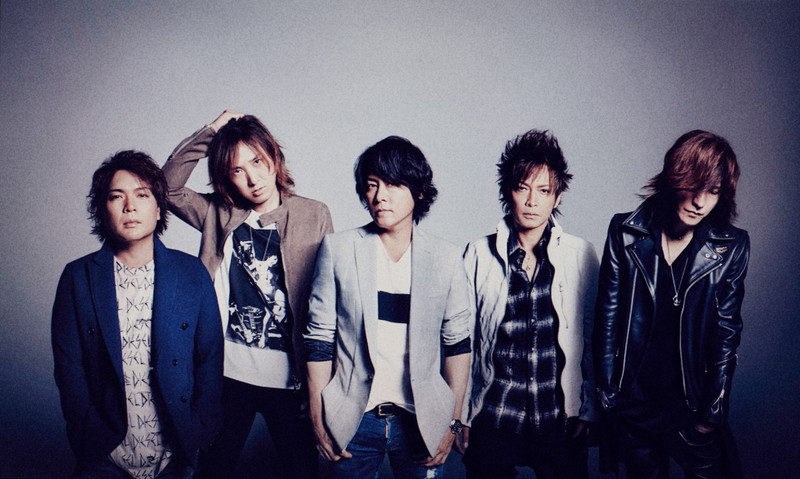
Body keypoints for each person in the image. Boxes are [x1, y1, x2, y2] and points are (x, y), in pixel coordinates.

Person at [162, 111, 332, 478]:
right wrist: (212, 130)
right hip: (226, 374)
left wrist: (321, 382)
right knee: (214, 470)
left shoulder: (313, 214)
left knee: (303, 471)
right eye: (237, 170)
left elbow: (328, 304)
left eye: (257, 161)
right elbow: (167, 188)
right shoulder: (217, 212)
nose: (253, 179)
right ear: (226, 177)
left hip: (290, 379)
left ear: (274, 156)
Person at [304, 136, 471, 478]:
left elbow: (458, 344)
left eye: (393, 184)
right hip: (352, 420)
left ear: (419, 191)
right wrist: (318, 419)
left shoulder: (446, 258)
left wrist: (453, 422)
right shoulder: (338, 249)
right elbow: (318, 340)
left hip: (423, 421)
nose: (379, 196)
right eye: (371, 185)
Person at [52, 151, 223, 479]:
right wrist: (87, 431)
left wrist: (200, 429)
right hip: (104, 454)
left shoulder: (191, 273)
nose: (129, 206)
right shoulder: (77, 277)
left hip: (177, 452)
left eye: (142, 195)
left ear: (158, 209)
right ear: (103, 209)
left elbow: (210, 358)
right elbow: (69, 368)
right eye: (116, 196)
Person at [594, 130, 749, 478]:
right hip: (633, 406)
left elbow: (726, 334)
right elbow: (607, 318)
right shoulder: (625, 232)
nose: (700, 202)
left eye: (713, 191)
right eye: (693, 186)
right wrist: (608, 396)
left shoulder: (731, 247)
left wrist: (712, 415)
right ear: (672, 178)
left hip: (691, 408)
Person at [459, 130, 599, 478]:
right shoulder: (478, 254)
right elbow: (463, 341)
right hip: (495, 415)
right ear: (508, 191)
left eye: (544, 191)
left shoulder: (580, 254)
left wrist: (589, 409)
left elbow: (594, 339)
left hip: (559, 420)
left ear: (557, 196)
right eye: (523, 188)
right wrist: (460, 415)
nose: (532, 201)